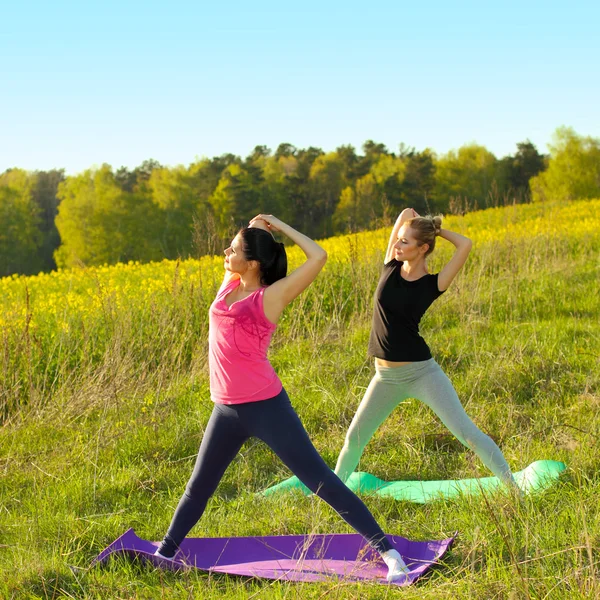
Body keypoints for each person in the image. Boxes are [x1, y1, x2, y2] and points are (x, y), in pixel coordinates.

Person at [154, 214, 409, 581]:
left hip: (266, 408)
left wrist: (277, 224)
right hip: (225, 409)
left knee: (319, 480)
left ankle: (389, 553)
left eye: (235, 249)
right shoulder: (231, 285)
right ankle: (165, 553)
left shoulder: (269, 297)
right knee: (199, 486)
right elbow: (244, 250)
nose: (226, 252)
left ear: (254, 263)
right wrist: (254, 224)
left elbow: (318, 256)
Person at [334, 208, 521, 493]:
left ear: (423, 248)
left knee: (467, 434)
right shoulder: (390, 265)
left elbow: (465, 244)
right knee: (354, 438)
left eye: (405, 242)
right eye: (397, 240)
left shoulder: (433, 283)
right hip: (384, 378)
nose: (396, 245)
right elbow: (404, 213)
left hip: (421, 373)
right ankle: (332, 497)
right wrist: (413, 225)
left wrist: (436, 231)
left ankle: (514, 490)